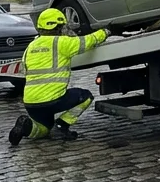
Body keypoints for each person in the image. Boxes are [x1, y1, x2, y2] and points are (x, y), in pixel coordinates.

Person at [8, 8, 109, 145]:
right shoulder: (61, 43)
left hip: (31, 102)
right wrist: (106, 31)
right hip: (53, 99)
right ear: (58, 26)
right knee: (85, 97)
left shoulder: (30, 47)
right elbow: (88, 41)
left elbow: (24, 69)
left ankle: (26, 126)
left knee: (43, 129)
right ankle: (62, 126)